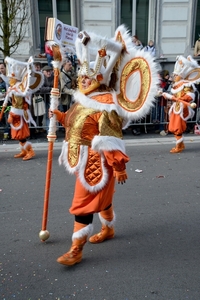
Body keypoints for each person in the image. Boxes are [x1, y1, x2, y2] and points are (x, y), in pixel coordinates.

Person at [49, 25, 159, 266]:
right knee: (103, 199)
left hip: (98, 161)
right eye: (83, 75)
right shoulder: (83, 99)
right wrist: (58, 115)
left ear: (100, 78)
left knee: (83, 203)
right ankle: (108, 229)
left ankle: (76, 248)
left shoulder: (107, 104)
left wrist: (119, 165)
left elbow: (110, 137)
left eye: (88, 76)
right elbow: (74, 121)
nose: (84, 79)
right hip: (83, 157)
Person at [0, 56, 43, 160]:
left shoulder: (18, 89)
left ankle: (30, 151)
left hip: (18, 115)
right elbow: (8, 101)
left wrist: (11, 115)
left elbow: (18, 105)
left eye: (11, 78)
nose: (10, 79)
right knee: (18, 135)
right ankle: (24, 151)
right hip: (16, 115)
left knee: (21, 134)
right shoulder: (13, 88)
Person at [163, 55, 200, 153]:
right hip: (176, 107)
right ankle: (180, 144)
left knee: (177, 126)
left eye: (176, 75)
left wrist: (180, 98)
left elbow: (191, 96)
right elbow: (174, 97)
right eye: (174, 75)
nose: (174, 76)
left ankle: (179, 146)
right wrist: (169, 97)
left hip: (183, 108)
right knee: (173, 126)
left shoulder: (186, 84)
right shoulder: (176, 85)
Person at [38, 65, 54, 130]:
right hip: (42, 99)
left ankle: (49, 130)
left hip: (50, 99)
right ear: (43, 72)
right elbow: (40, 88)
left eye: (50, 71)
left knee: (49, 115)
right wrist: (50, 89)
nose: (49, 73)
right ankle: (38, 129)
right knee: (40, 114)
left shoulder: (53, 77)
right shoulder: (41, 78)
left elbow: (57, 86)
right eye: (47, 71)